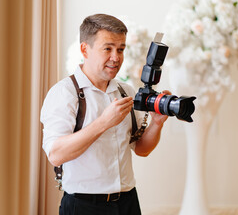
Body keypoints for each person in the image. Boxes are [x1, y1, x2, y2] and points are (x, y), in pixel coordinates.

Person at [41, 14, 170, 215]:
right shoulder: (64, 93)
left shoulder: (126, 91)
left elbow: (142, 149)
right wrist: (103, 123)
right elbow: (56, 155)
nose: (116, 57)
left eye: (120, 49)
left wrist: (157, 123)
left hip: (128, 202)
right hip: (84, 206)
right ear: (85, 49)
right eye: (107, 48)